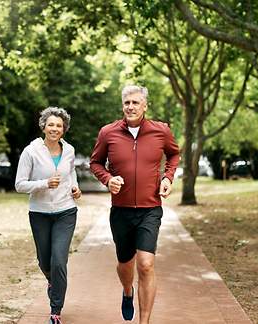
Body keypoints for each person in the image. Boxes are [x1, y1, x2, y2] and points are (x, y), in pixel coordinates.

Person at [90, 85, 180, 323]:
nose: (131, 107)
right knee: (124, 264)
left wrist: (168, 178)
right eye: (127, 102)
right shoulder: (108, 132)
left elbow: (174, 154)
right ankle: (127, 291)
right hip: (120, 211)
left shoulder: (161, 131)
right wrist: (108, 180)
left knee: (146, 264)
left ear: (145, 106)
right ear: (122, 105)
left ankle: (144, 321)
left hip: (150, 209)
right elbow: (96, 163)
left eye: (135, 103)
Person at [15, 107, 82, 324]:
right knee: (45, 261)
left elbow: (70, 172)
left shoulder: (69, 150)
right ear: (44, 126)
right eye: (51, 124)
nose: (55, 129)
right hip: (40, 213)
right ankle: (53, 282)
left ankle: (56, 311)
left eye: (59, 126)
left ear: (64, 130)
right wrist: (44, 184)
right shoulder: (31, 151)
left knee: (59, 261)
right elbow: (19, 185)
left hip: (66, 211)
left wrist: (75, 188)